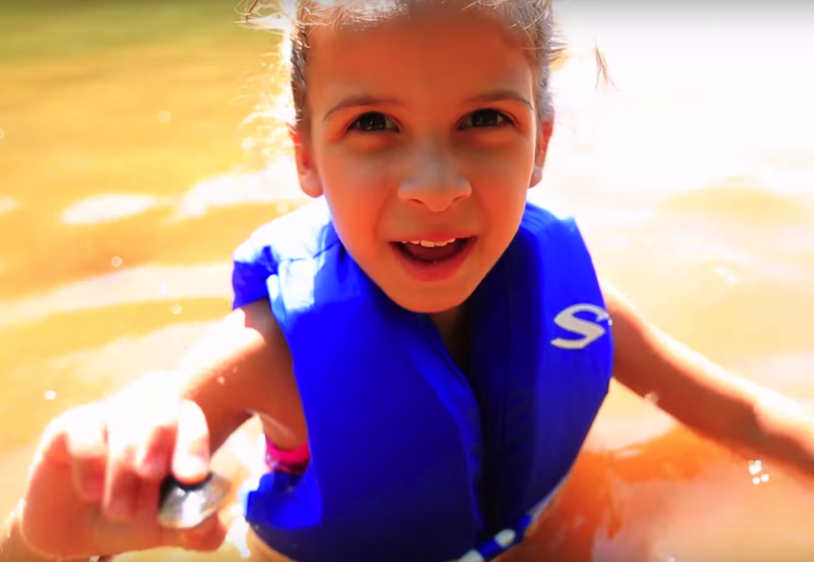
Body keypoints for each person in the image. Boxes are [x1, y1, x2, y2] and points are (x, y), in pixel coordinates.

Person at [5, 0, 814, 561]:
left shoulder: (583, 311)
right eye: (374, 125)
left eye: (486, 120)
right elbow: (97, 493)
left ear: (540, 146)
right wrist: (44, 538)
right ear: (305, 158)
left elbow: (748, 418)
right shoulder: (266, 356)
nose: (435, 185)